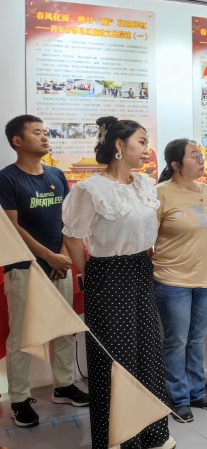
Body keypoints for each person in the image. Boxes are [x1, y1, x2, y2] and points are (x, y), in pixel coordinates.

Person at [62, 116, 174, 449]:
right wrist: (89, 273)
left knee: (148, 355)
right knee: (116, 361)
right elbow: (73, 238)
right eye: (141, 142)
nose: (147, 149)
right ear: (119, 145)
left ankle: (153, 433)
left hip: (140, 270)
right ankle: (120, 440)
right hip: (108, 276)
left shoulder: (143, 184)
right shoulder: (91, 189)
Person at [0, 115, 89, 428]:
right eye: (36, 132)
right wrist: (48, 256)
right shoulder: (7, 178)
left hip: (58, 267)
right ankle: (20, 399)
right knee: (22, 336)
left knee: (64, 328)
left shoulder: (56, 174)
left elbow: (67, 220)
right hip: (25, 268)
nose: (44, 136)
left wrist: (61, 255)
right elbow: (12, 227)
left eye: (44, 131)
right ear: (17, 141)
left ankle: (64, 386)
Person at [151, 139, 207, 422]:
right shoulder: (160, 193)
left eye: (200, 154)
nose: (201, 159)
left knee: (197, 340)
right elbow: (147, 239)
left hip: (206, 278)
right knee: (176, 342)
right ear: (176, 164)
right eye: (194, 156)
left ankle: (196, 391)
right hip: (172, 279)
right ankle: (177, 398)